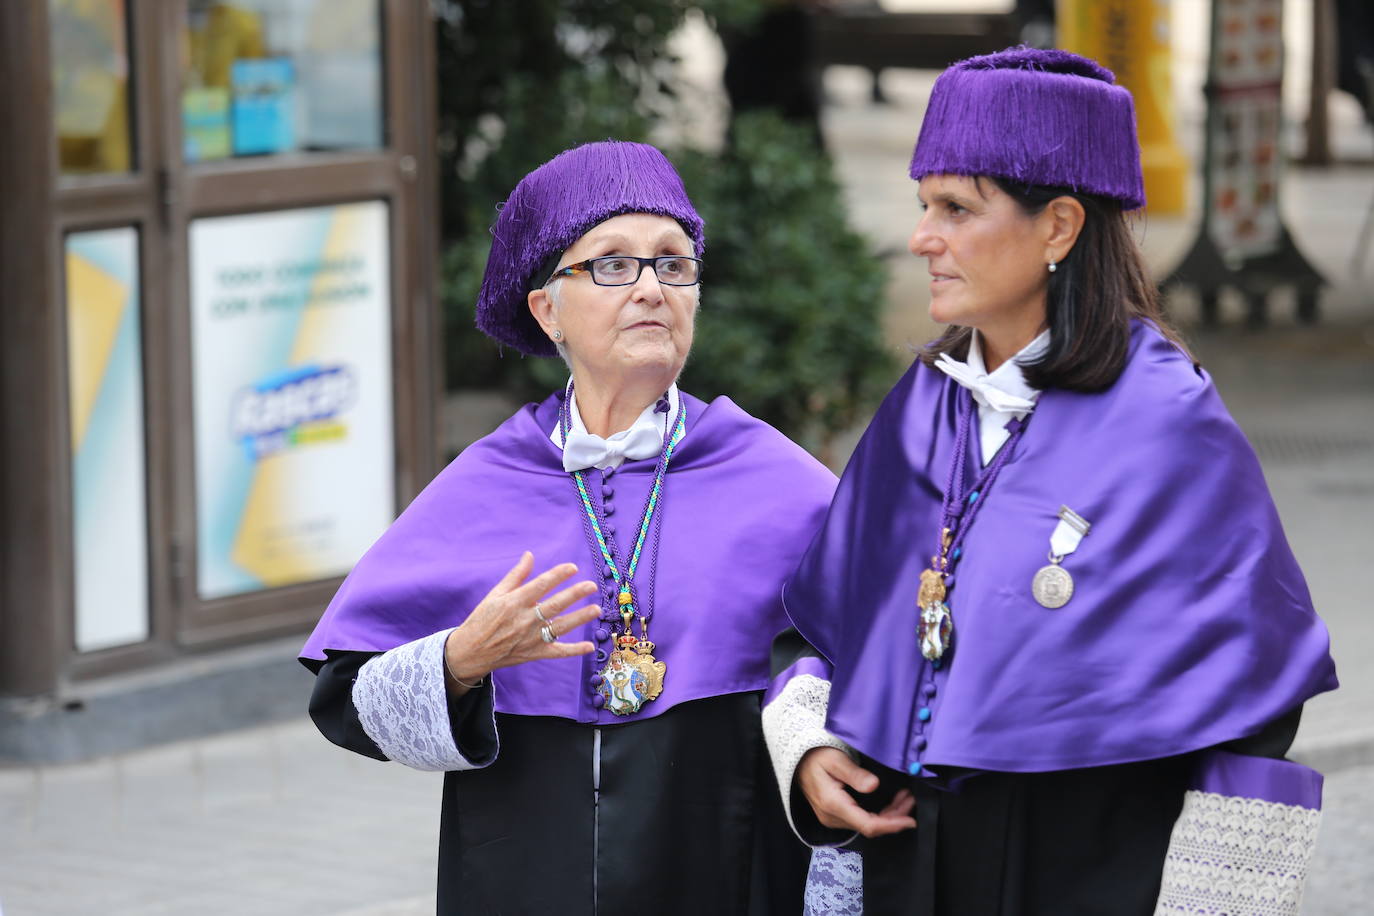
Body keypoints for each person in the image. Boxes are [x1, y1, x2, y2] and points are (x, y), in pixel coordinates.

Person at [761, 48, 1338, 915]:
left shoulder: (1167, 425)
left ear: (1060, 227)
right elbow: (822, 624)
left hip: (1086, 874)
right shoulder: (922, 402)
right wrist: (808, 745)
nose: (922, 237)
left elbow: (1253, 707)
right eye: (925, 206)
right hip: (907, 871)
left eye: (957, 208)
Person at [300, 140, 835, 915]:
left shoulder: (780, 483)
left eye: (674, 263)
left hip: (721, 865)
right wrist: (458, 662)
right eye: (613, 264)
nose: (651, 287)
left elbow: (866, 663)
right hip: (523, 873)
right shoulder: (487, 483)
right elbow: (344, 698)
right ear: (547, 308)